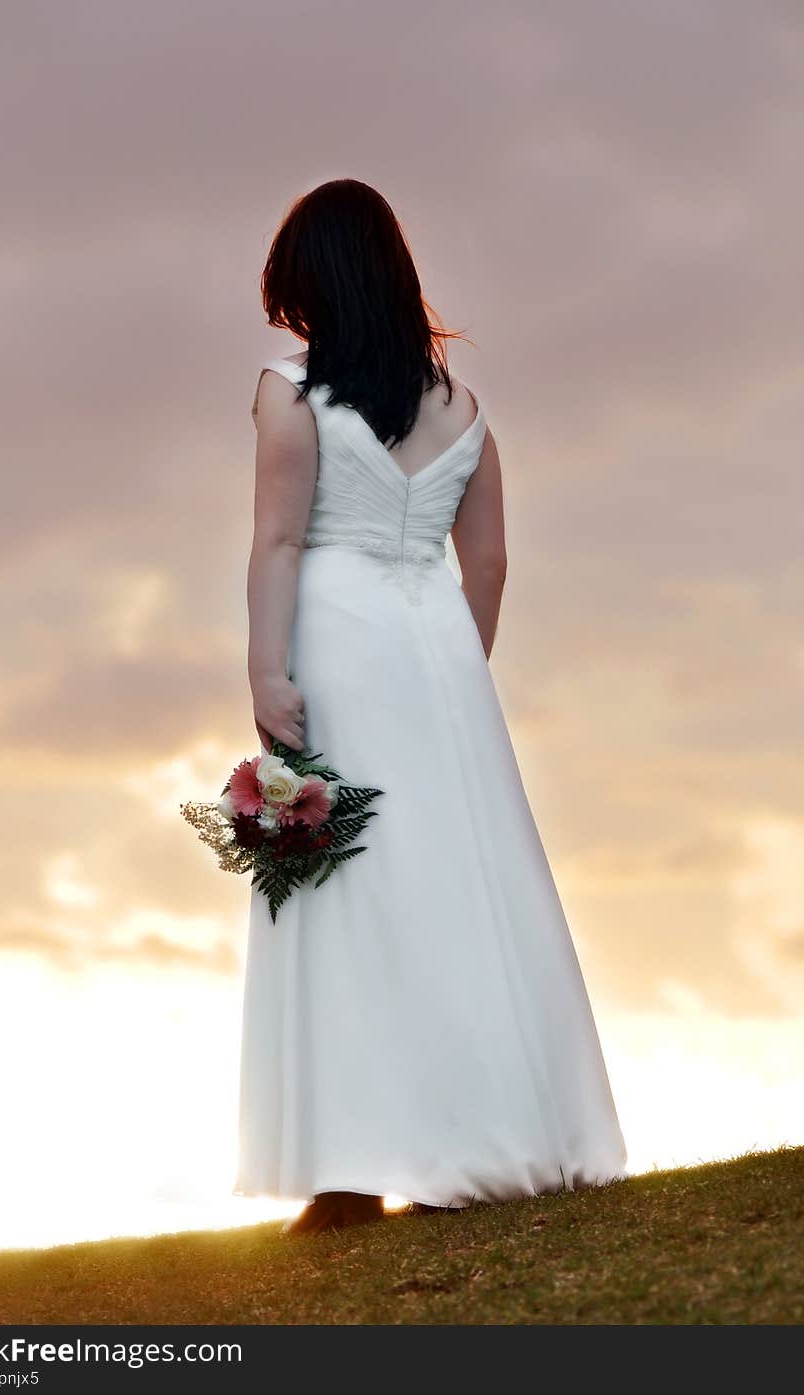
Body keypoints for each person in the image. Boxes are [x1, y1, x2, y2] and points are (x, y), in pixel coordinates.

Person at [233, 178, 626, 1236]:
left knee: (345, 891)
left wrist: (267, 672)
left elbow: (276, 539)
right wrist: (459, 668)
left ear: (311, 281)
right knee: (463, 890)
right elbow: (487, 559)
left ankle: (350, 1171)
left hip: (338, 639)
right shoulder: (462, 408)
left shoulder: (289, 391)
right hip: (439, 652)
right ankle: (473, 1143)